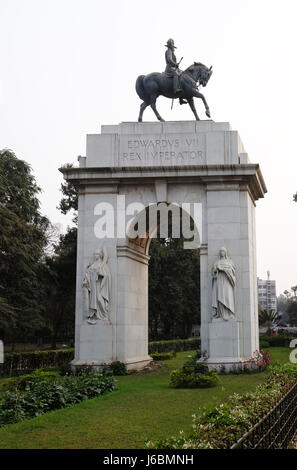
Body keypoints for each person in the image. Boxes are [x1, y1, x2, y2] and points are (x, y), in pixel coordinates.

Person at [82, 247, 111, 324]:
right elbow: (87, 273)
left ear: (100, 255)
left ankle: (104, 315)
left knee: (99, 299)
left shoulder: (102, 265)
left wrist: (101, 274)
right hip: (93, 286)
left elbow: (106, 276)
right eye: (94, 254)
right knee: (93, 301)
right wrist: (86, 280)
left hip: (99, 285)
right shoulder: (92, 265)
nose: (95, 256)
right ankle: (93, 316)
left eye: (97, 254)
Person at [211, 247, 236, 321]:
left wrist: (223, 269)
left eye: (223, 251)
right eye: (220, 251)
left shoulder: (229, 262)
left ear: (225, 253)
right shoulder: (217, 262)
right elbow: (213, 273)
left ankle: (230, 313)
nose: (221, 252)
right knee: (219, 298)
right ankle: (220, 315)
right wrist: (215, 270)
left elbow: (232, 271)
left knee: (227, 297)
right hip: (219, 281)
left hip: (227, 281)